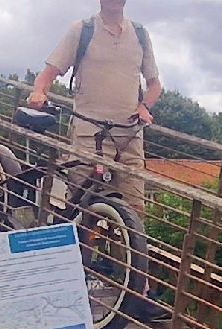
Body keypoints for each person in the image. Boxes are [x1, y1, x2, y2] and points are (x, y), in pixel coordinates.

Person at [27, 0, 162, 213]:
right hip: (89, 133)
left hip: (130, 136)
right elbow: (48, 74)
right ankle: (78, 244)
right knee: (81, 207)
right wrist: (38, 92)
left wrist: (144, 106)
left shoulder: (140, 34)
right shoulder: (82, 30)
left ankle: (125, 246)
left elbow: (155, 85)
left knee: (135, 210)